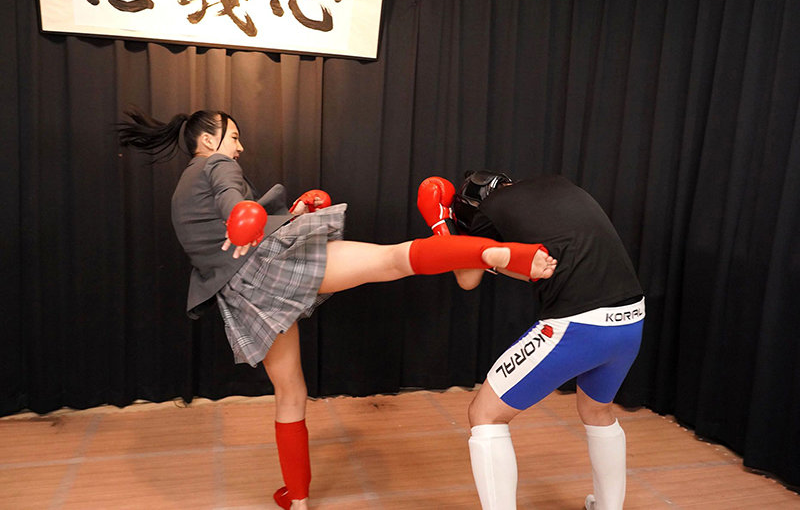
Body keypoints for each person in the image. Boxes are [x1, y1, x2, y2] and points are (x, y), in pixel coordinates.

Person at [117, 109, 557, 510]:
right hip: (267, 264)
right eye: (233, 137)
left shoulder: (182, 189)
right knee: (392, 260)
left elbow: (222, 227)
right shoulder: (217, 164)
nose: (239, 146)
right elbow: (232, 202)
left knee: (290, 392)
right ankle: (505, 255)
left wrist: (290, 211)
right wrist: (241, 217)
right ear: (208, 140)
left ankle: (297, 498)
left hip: (245, 293)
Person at [420, 171, 644, 510]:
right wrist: (496, 262)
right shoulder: (556, 185)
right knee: (597, 411)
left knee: (485, 415)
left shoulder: (487, 211)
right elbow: (537, 269)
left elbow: (467, 278)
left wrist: (444, 226)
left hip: (580, 326)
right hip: (631, 318)